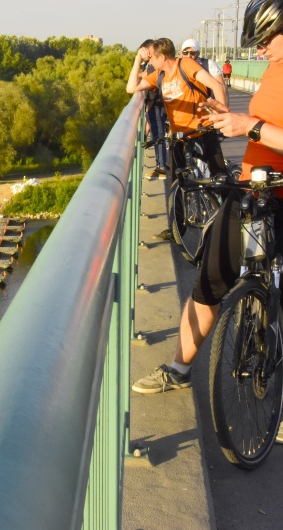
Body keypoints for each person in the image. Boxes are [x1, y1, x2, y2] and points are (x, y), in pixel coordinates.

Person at [131, 0, 283, 399]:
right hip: (253, 189)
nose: (260, 50)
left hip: (279, 195)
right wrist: (226, 115)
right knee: (209, 279)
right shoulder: (273, 69)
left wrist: (250, 126)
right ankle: (179, 369)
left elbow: (259, 128)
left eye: (266, 40)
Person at [127, 38, 228, 182]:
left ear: (162, 57)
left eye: (151, 58)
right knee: (178, 184)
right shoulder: (159, 75)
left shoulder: (185, 65)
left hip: (202, 130)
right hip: (178, 135)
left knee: (220, 179)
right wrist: (138, 58)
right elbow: (131, 88)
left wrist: (222, 117)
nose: (149, 62)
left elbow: (216, 86)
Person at [140, 39, 170, 178]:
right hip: (160, 103)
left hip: (156, 104)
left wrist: (137, 61)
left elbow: (135, 84)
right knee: (160, 135)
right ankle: (162, 164)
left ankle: (161, 168)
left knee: (158, 136)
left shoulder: (153, 66)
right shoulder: (153, 66)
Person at [180, 38, 230, 103]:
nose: (189, 56)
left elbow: (222, 88)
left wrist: (223, 110)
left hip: (207, 106)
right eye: (185, 53)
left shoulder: (208, 64)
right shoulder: (177, 66)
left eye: (192, 53)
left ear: (198, 53)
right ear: (181, 53)